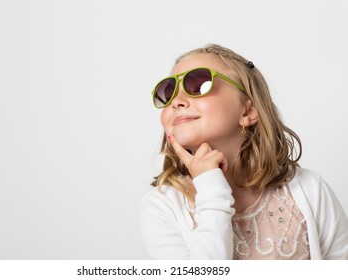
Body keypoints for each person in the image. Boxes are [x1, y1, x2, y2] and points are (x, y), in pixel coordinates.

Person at [140, 43, 348, 260]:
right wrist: (210, 189)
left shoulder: (310, 190)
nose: (177, 102)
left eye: (199, 85)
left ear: (247, 111)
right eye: (169, 91)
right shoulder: (161, 207)